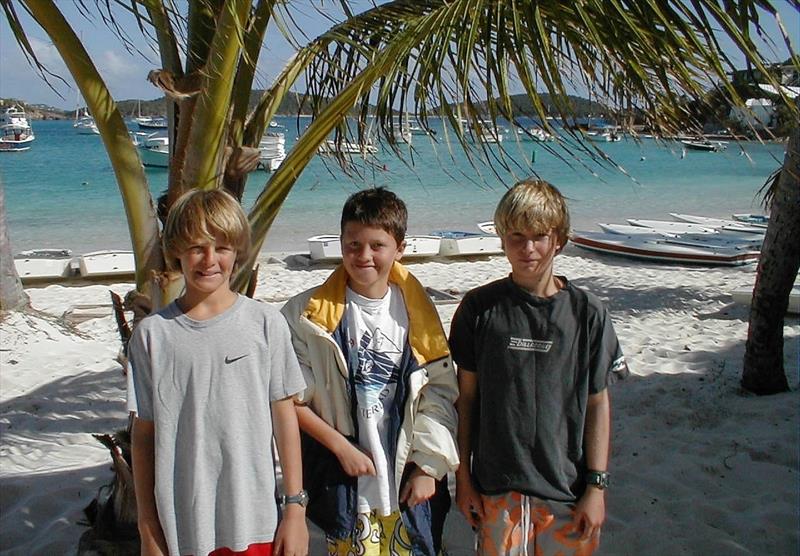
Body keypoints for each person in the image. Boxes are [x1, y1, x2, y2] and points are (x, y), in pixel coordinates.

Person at [450, 179, 629, 555]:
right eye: (516, 235)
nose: (527, 248)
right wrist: (463, 476)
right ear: (501, 238)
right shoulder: (479, 308)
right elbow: (466, 400)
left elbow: (598, 403)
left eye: (539, 236)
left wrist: (596, 487)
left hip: (566, 490)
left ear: (559, 239)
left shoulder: (588, 313)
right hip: (496, 487)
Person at [128, 189, 309, 556]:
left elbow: (285, 416)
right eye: (197, 247)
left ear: (238, 250)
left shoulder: (265, 324)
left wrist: (295, 508)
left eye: (222, 247)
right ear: (177, 250)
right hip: (179, 527)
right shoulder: (152, 336)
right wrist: (147, 527)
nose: (210, 259)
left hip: (254, 520)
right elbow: (143, 435)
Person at [281, 187, 459, 556]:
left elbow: (439, 393)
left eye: (377, 245)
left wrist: (429, 467)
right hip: (345, 487)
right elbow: (290, 400)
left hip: (408, 483)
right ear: (341, 242)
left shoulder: (417, 312)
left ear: (400, 249)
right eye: (353, 244)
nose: (364, 256)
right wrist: (341, 446)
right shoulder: (306, 314)